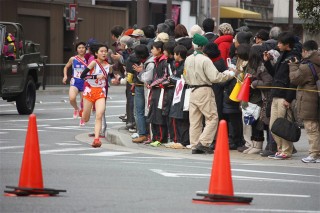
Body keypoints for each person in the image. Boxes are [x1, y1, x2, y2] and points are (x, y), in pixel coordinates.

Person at [184, 34, 235, 154]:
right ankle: (204, 142)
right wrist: (230, 74)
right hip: (205, 89)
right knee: (212, 118)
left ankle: (195, 144)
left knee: (195, 119)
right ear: (203, 47)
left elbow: (185, 76)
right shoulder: (205, 60)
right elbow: (215, 77)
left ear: (194, 46)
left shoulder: (188, 58)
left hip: (192, 90)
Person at [263, 32, 301, 160]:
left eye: (280, 43)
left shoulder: (293, 57)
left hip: (284, 96)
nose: (278, 45)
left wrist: (289, 98)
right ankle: (280, 149)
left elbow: (293, 80)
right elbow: (275, 74)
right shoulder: (283, 56)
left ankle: (286, 150)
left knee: (283, 125)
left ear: (287, 45)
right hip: (276, 93)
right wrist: (267, 63)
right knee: (273, 125)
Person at [289, 40, 320, 163]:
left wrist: (293, 66)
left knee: (311, 128)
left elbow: (294, 79)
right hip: (317, 99)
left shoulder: (306, 66)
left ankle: (314, 154)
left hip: (309, 101)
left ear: (306, 51)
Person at [80, 44, 110, 148]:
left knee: (99, 114)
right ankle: (82, 112)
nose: (104, 53)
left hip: (100, 91)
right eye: (101, 51)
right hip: (89, 90)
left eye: (105, 51)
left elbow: (107, 78)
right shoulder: (94, 62)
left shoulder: (107, 65)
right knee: (86, 118)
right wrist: (96, 76)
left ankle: (96, 139)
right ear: (96, 53)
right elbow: (82, 75)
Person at [147, 41, 170, 145]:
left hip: (161, 90)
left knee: (159, 114)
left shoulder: (164, 61)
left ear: (159, 49)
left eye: (153, 48)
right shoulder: (157, 61)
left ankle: (161, 138)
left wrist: (153, 83)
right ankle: (155, 137)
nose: (151, 50)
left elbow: (165, 77)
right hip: (155, 89)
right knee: (153, 113)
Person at [168, 45, 190, 148]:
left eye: (175, 54)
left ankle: (184, 141)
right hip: (178, 93)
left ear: (179, 54)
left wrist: (171, 78)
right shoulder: (177, 65)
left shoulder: (185, 65)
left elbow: (183, 80)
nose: (173, 56)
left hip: (184, 94)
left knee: (182, 118)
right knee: (178, 118)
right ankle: (180, 140)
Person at [63, 41, 87, 126]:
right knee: (72, 98)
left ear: (85, 49)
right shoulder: (73, 59)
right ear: (77, 49)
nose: (81, 49)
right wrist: (65, 76)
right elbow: (66, 67)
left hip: (85, 82)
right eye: (79, 48)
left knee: (83, 102)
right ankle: (76, 109)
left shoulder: (88, 59)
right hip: (75, 81)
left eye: (83, 48)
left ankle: (82, 118)